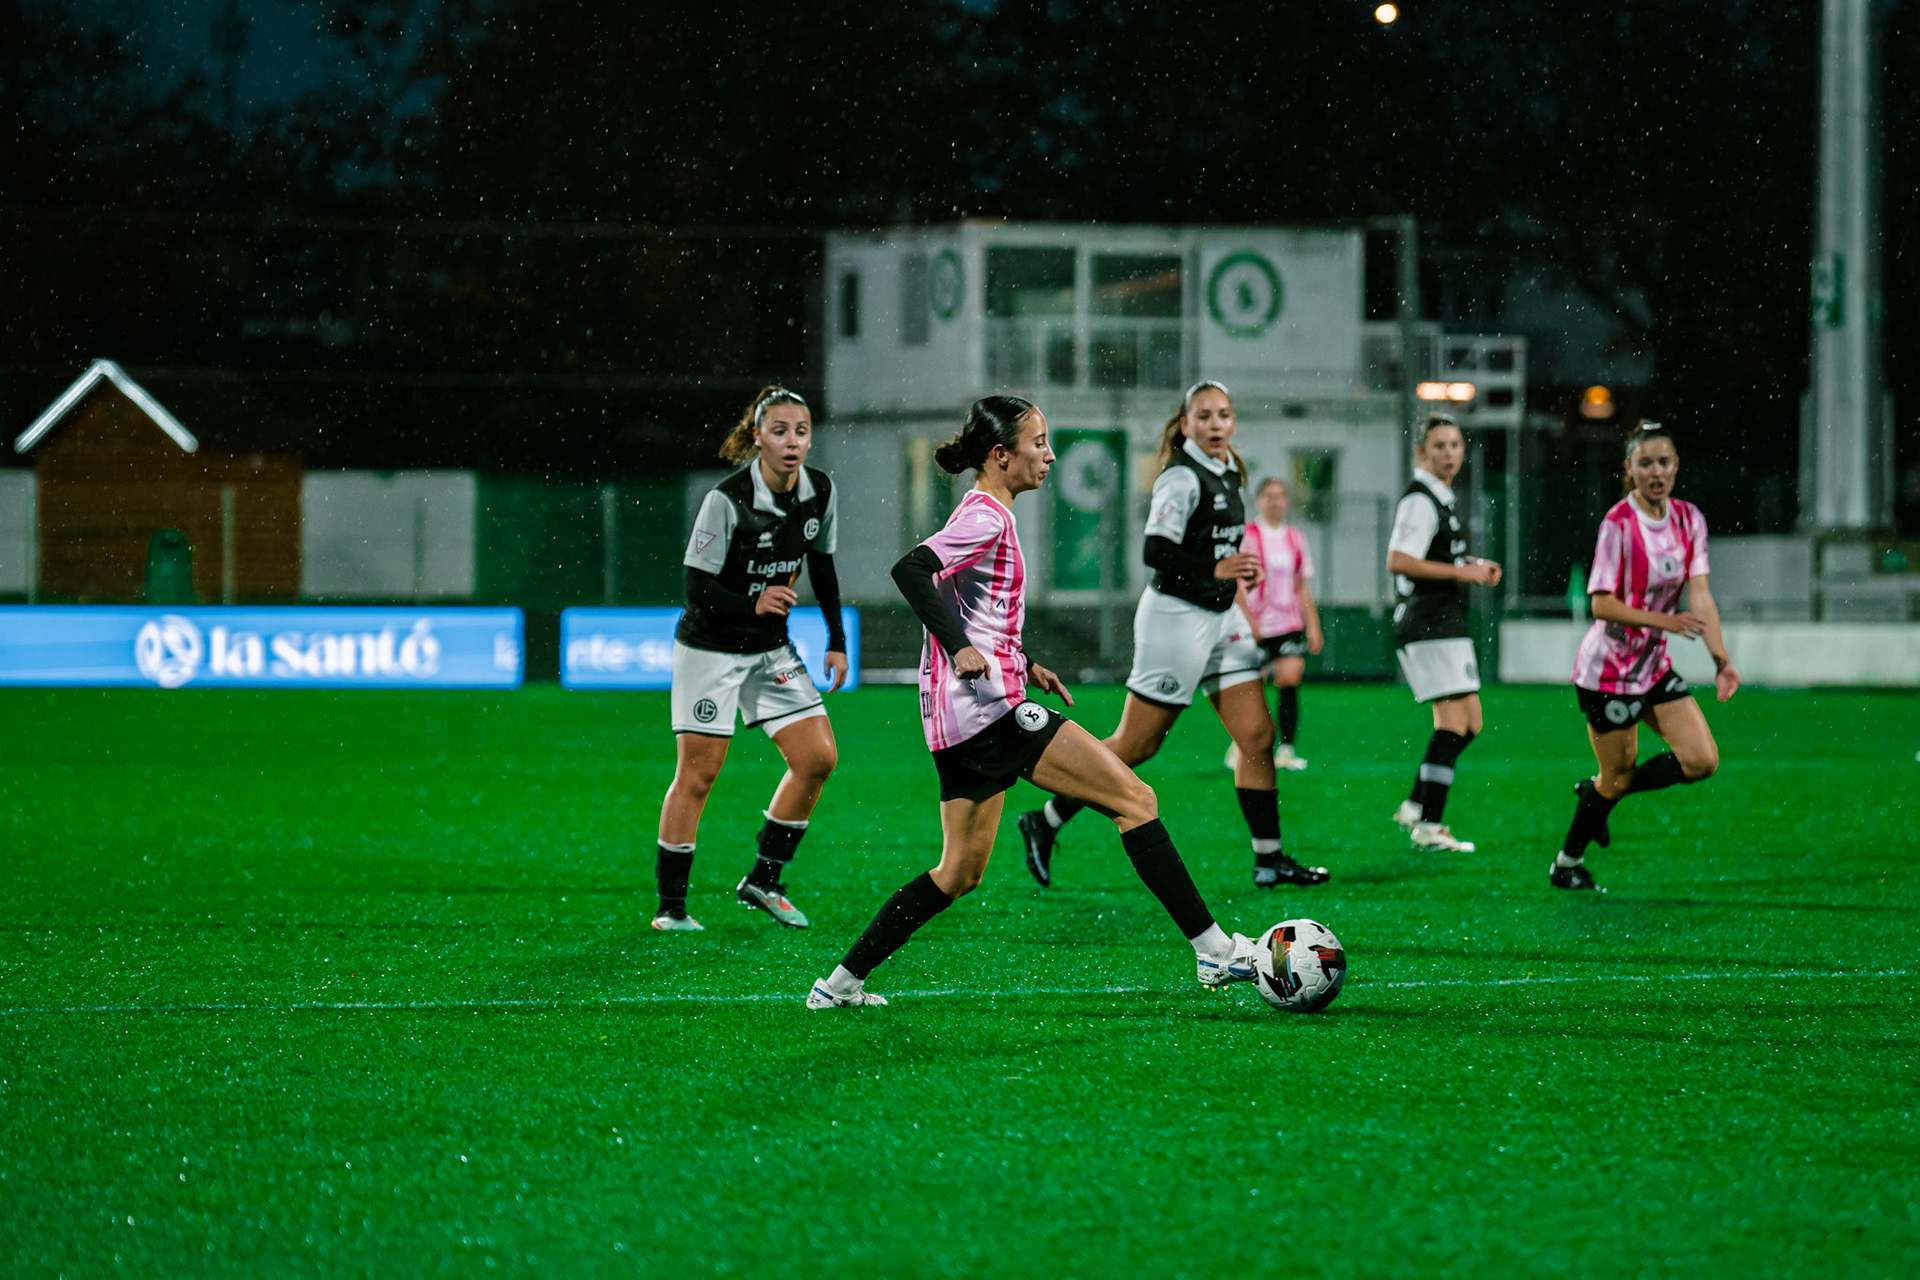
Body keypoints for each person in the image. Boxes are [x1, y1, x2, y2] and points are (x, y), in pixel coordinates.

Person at [806, 396, 1263, 1009]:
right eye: (1039, 443)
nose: (1049, 455)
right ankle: (1215, 950)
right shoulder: (986, 517)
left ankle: (839, 984)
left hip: (958, 721)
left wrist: (1023, 662)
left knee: (958, 874)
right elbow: (911, 570)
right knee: (1135, 799)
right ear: (1001, 455)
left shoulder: (987, 513)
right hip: (989, 713)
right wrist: (961, 648)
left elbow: (979, 611)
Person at [1015, 381, 1329, 891]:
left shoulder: (1228, 471)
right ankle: (1045, 820)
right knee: (1137, 745)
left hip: (1222, 618)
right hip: (1176, 620)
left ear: (1233, 421)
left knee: (1257, 737)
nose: (1215, 424)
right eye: (1203, 416)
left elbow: (1214, 549)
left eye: (1223, 415)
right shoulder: (1181, 477)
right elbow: (1155, 551)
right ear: (1186, 424)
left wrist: (1233, 568)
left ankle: (1269, 859)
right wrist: (1216, 566)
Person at [653, 385, 848, 932]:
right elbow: (697, 589)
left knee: (817, 758)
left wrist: (837, 639)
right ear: (758, 437)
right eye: (779, 431)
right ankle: (671, 907)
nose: (792, 442)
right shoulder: (727, 499)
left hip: (769, 649)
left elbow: (823, 568)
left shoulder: (820, 491)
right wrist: (753, 603)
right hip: (709, 649)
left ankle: (764, 880)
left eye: (801, 431)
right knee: (698, 775)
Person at [1552, 421, 1738, 891]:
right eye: (1646, 463)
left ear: (1676, 466)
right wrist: (1664, 621)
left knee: (1701, 760)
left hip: (1652, 669)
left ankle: (1595, 793)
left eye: (1664, 462)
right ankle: (1567, 862)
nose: (1656, 472)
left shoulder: (1689, 519)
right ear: (1629, 468)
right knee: (1615, 778)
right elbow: (1601, 604)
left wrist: (1721, 660)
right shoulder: (1618, 524)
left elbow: (1701, 596)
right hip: (1607, 673)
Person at [1386, 413, 1501, 853]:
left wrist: (1471, 565)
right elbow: (1399, 560)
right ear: (1421, 452)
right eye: (1438, 445)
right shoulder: (1420, 499)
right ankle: (1430, 826)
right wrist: (1460, 571)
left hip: (1445, 621)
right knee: (1453, 724)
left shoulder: (1441, 497)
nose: (1448, 453)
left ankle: (1416, 806)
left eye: (1454, 445)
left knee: (1470, 724)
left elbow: (1436, 556)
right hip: (1427, 621)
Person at [1225, 476, 1323, 773]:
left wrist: (1313, 625)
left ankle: (1287, 749)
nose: (1274, 501)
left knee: (1290, 676)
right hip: (1254, 622)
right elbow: (1234, 581)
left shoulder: (1295, 538)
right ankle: (1242, 744)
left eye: (1280, 496)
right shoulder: (1247, 535)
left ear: (1287, 501)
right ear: (1258, 500)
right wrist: (1248, 619)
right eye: (1269, 496)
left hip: (1288, 622)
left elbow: (1301, 584)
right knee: (1253, 685)